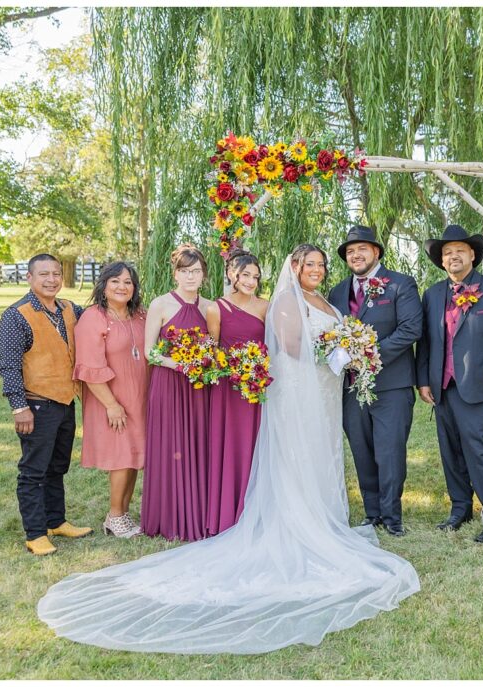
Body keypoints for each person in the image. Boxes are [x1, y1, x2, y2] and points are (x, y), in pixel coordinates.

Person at [37, 243, 420, 653]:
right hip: (294, 386)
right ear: (291, 267)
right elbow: (288, 346)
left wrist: (347, 349)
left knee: (322, 453)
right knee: (296, 453)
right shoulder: (275, 301)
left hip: (323, 389)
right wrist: (338, 352)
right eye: (310, 263)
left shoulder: (323, 298)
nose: (318, 269)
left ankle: (325, 512)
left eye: (322, 264)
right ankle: (294, 514)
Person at [416, 224, 483, 543]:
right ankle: (460, 509)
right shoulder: (432, 294)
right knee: (451, 451)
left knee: (479, 451)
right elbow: (428, 342)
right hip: (442, 387)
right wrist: (424, 381)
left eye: (459, 250)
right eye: (447, 252)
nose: (453, 256)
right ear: (441, 261)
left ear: (472, 254)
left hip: (479, 386)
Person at [329, 225, 423, 536]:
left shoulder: (400, 284)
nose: (355, 255)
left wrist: (369, 355)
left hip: (391, 385)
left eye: (362, 249)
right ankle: (372, 513)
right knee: (361, 449)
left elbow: (410, 330)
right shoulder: (337, 292)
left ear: (376, 252)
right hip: (350, 388)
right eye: (350, 251)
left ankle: (392, 515)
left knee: (389, 450)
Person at [0, 253, 93, 555]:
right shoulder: (16, 315)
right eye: (44, 275)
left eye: (56, 274)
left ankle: (56, 520)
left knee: (57, 466)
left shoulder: (69, 309)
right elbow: (9, 365)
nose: (51, 280)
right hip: (37, 405)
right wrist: (18, 406)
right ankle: (35, 533)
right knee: (33, 470)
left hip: (65, 401)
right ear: (29, 277)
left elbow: (99, 318)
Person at [141, 244, 214, 541]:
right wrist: (179, 364)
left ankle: (197, 512)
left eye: (196, 271)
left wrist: (203, 362)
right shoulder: (161, 304)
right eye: (185, 271)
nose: (190, 277)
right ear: (175, 274)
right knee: (170, 445)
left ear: (204, 275)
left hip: (198, 388)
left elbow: (214, 347)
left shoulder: (210, 307)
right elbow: (149, 353)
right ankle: (167, 515)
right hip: (169, 384)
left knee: (197, 444)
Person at [73, 261, 149, 539]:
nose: (122, 286)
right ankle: (115, 515)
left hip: (138, 397)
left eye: (128, 282)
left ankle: (122, 514)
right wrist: (111, 405)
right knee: (120, 456)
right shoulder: (94, 318)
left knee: (133, 455)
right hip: (111, 398)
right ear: (104, 286)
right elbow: (89, 367)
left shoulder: (140, 315)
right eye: (115, 281)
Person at [203, 249, 268, 536]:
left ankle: (258, 509)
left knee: (256, 445)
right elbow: (213, 349)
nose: (251, 281)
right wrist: (232, 367)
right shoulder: (216, 308)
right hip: (228, 390)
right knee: (230, 445)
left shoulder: (266, 307)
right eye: (245, 275)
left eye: (255, 276)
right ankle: (228, 511)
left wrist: (256, 368)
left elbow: (273, 346)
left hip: (256, 388)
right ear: (232, 275)